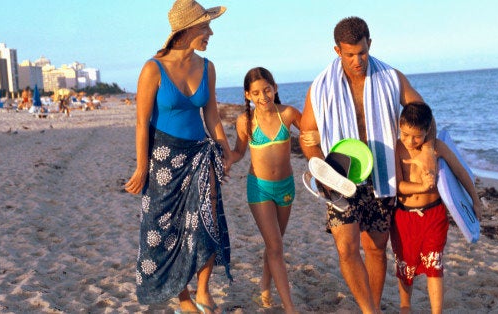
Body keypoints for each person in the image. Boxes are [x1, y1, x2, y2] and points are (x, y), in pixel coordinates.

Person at [299, 17, 435, 313]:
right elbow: (308, 136)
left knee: (375, 248)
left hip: (382, 176)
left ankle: (372, 305)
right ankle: (369, 310)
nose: (357, 60)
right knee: (347, 249)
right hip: (340, 178)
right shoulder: (320, 86)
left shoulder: (390, 76)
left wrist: (427, 152)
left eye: (362, 52)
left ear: (369, 44)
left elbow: (423, 113)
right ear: (337, 51)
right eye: (350, 55)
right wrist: (317, 163)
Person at [124, 1, 232, 313]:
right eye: (204, 27)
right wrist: (141, 166)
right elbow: (141, 122)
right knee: (163, 228)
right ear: (185, 31)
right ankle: (183, 297)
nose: (209, 33)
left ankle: (203, 290)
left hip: (200, 153)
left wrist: (223, 148)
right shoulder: (153, 68)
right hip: (162, 160)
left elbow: (211, 114)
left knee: (208, 219)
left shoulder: (207, 67)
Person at [391, 102, 482, 313]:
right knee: (405, 265)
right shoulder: (397, 148)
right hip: (404, 216)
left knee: (434, 264)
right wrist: (423, 186)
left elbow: (461, 173)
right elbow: (398, 186)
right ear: (399, 126)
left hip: (434, 214)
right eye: (405, 134)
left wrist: (475, 200)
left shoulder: (437, 148)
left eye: (417, 136)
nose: (410, 141)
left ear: (427, 131)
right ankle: (405, 307)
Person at [229, 67, 301, 313]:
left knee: (275, 244)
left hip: (286, 187)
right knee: (275, 247)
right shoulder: (245, 121)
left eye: (267, 90)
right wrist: (228, 159)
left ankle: (265, 284)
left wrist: (315, 144)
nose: (263, 96)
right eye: (257, 92)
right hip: (259, 189)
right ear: (248, 95)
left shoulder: (289, 114)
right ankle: (290, 307)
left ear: (275, 88)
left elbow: (312, 133)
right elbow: (239, 152)